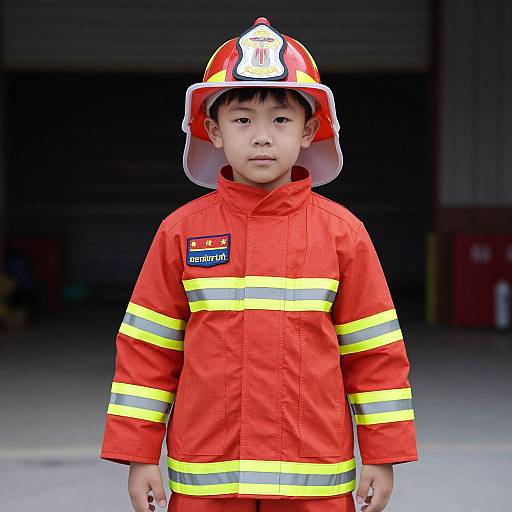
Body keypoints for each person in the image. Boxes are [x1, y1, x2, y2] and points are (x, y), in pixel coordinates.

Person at [100, 17, 418, 512]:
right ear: (214, 131)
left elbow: (374, 355)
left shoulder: (342, 233)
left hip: (314, 480)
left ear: (311, 130)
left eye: (282, 120)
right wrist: (138, 455)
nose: (262, 137)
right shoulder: (180, 232)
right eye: (243, 119)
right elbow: (147, 351)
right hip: (208, 481)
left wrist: (384, 453)